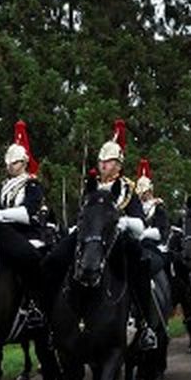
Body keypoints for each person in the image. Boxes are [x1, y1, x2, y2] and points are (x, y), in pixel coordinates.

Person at [41, 119, 159, 349]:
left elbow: (140, 224)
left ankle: (145, 325)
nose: (104, 165)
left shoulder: (128, 188)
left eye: (109, 161)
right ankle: (51, 320)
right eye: (102, 161)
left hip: (118, 239)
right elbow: (83, 215)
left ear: (119, 164)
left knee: (140, 264)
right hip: (88, 238)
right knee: (53, 260)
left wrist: (122, 222)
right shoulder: (92, 186)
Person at [0, 120, 47, 326]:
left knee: (28, 259)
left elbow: (28, 214)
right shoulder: (4, 186)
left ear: (23, 163)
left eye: (14, 163)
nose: (10, 167)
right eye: (8, 163)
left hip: (28, 234)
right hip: (6, 234)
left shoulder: (32, 184)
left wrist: (0, 214)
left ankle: (34, 304)